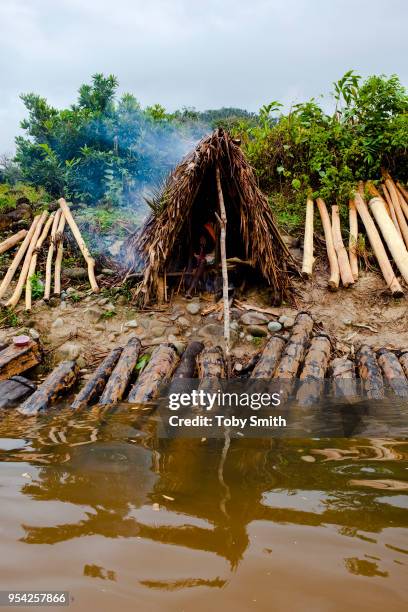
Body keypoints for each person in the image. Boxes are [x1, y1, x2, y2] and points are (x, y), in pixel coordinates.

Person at [186, 221, 216, 298]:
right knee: (200, 262)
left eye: (203, 237)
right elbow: (197, 255)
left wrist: (203, 248)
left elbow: (209, 253)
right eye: (201, 238)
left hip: (210, 257)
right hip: (201, 259)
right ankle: (190, 290)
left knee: (202, 262)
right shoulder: (197, 242)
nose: (202, 239)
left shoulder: (210, 242)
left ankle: (190, 290)